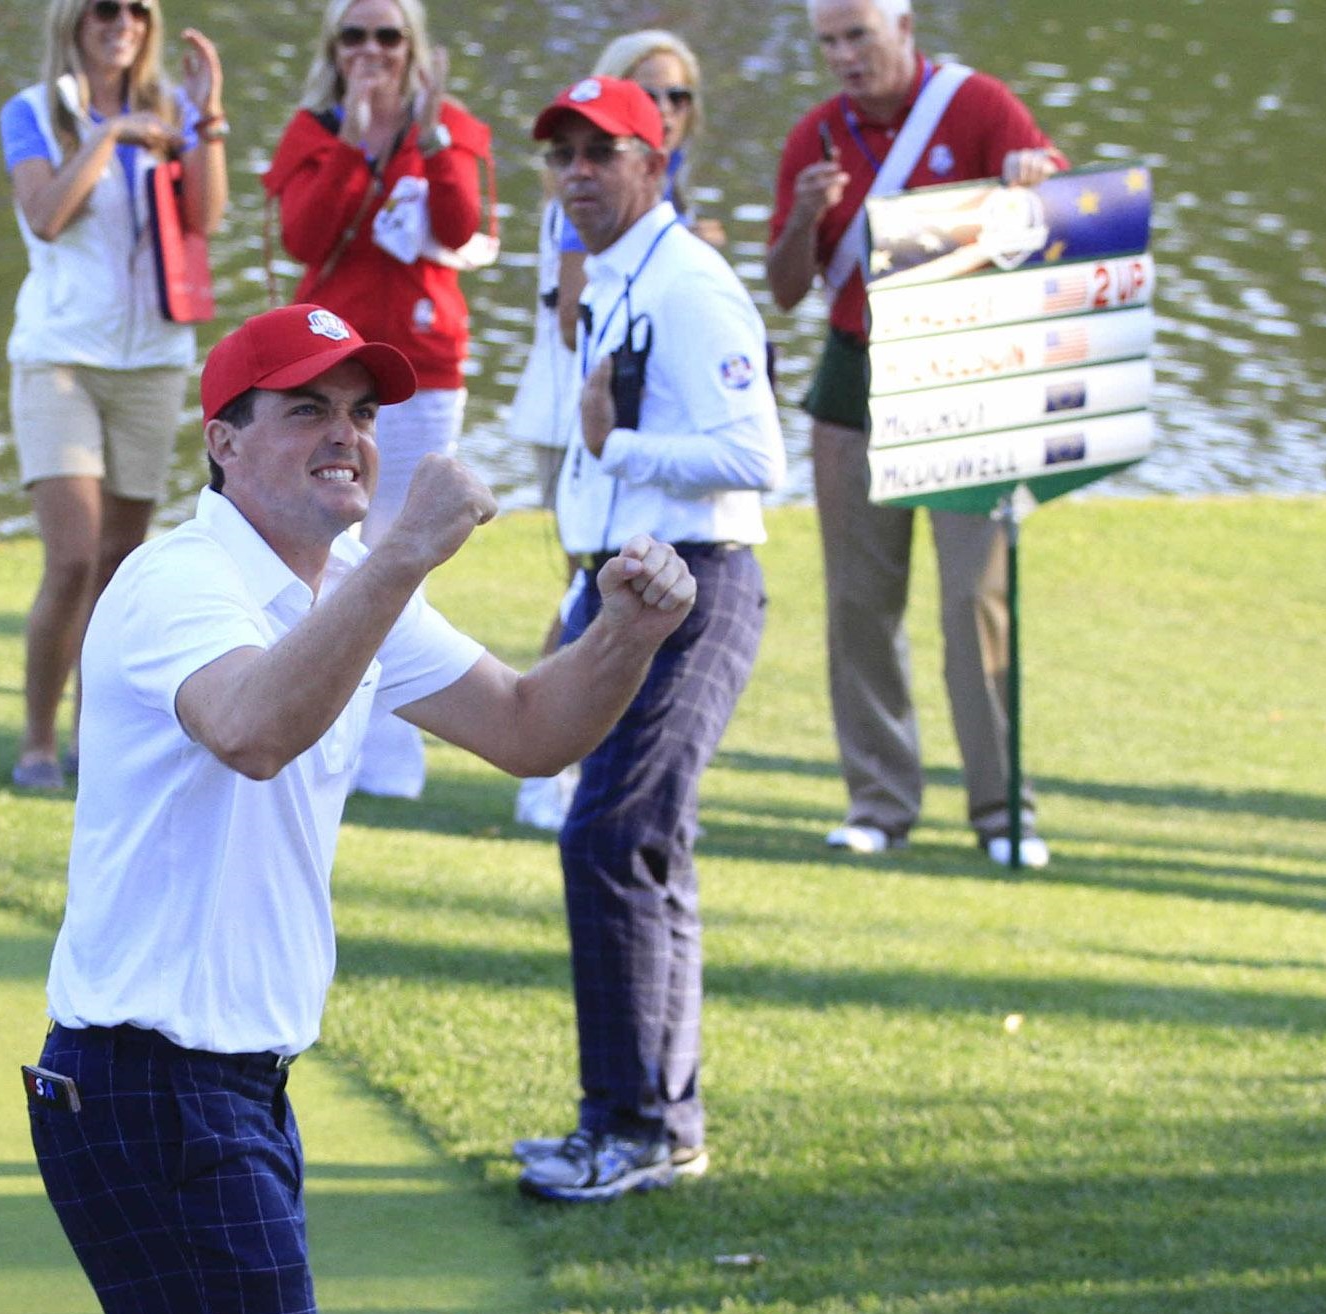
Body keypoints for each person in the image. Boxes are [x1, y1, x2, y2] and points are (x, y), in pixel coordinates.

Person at [26, 303, 696, 1308]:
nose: (347, 434)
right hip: (147, 1082)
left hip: (231, 1084)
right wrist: (403, 552)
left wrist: (626, 636)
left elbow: (526, 729)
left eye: (363, 414)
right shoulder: (178, 581)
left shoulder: (351, 590)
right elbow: (252, 729)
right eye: (307, 410)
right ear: (223, 442)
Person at [510, 77, 785, 1203]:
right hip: (624, 585)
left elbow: (754, 455)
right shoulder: (614, 276)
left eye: (599, 152)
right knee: (636, 843)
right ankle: (650, 1123)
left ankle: (633, 1129)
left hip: (691, 585)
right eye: (561, 154)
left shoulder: (690, 286)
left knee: (612, 837)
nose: (576, 172)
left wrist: (619, 450)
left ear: (654, 158)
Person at [766, 0, 1064, 864]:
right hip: (854, 382)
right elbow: (785, 288)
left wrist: (1033, 178)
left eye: (857, 35)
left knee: (974, 598)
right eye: (827, 42)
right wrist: (801, 219)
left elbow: (1058, 216)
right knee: (860, 603)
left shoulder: (975, 106)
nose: (843, 57)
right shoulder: (814, 136)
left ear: (903, 27)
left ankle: (1003, 812)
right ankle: (879, 802)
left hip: (967, 378)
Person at [262, 0, 496, 801]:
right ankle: (316, 737)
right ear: (333, 46)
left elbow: (463, 221)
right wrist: (356, 147)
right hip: (331, 372)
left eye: (387, 36)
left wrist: (426, 137)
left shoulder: (452, 126)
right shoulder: (314, 130)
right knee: (326, 556)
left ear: (413, 46)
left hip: (424, 368)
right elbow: (304, 238)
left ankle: (391, 765)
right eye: (354, 36)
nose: (371, 51)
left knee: (400, 555)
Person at [0, 0, 228, 791]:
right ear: (74, 18)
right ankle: (36, 743)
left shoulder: (172, 108)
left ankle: (101, 741)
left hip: (155, 362)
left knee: (121, 562)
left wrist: (212, 119)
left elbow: (205, 218)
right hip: (59, 356)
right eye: (105, 7)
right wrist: (104, 137)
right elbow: (47, 214)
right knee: (70, 557)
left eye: (136, 9)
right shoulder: (31, 112)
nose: (120, 21)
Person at [511, 28, 728, 832]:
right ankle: (543, 766)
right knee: (587, 593)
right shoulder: (587, 199)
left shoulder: (665, 202)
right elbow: (575, 322)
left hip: (624, 425)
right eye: (652, 91)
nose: (669, 108)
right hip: (573, 418)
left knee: (621, 596)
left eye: (680, 96)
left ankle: (623, 771)